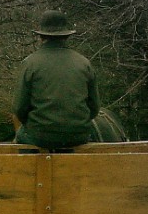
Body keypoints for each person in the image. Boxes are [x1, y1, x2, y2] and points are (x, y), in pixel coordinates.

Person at [12, 10, 100, 149]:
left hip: (39, 135)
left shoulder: (30, 63)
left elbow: (19, 108)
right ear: (66, 37)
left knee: (20, 136)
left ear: (41, 37)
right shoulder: (84, 63)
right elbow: (94, 107)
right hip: (78, 135)